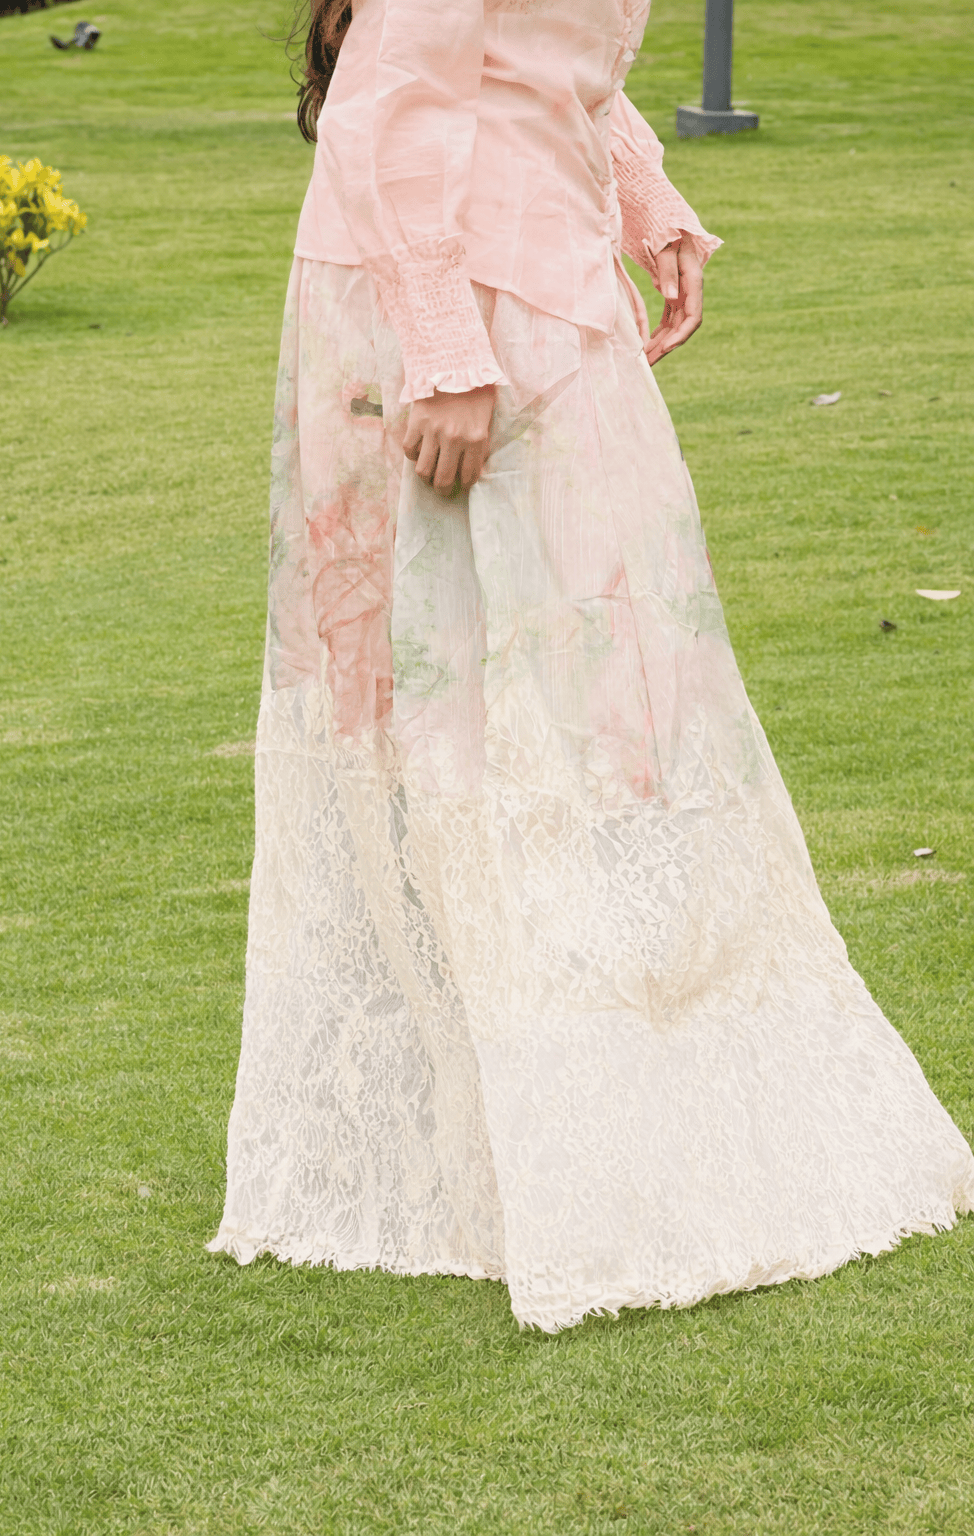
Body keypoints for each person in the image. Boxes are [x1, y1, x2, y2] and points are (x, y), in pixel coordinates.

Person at [208, 0, 974, 1332]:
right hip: (446, 315)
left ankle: (613, 1130)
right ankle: (521, 1162)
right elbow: (390, 100)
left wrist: (647, 202)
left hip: (547, 291)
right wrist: (446, 347)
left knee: (626, 710)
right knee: (482, 726)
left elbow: (542, 70)